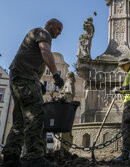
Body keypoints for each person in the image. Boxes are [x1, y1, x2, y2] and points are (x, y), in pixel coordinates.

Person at [2, 18, 64, 167]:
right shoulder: (43, 33)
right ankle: (34, 158)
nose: (59, 33)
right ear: (49, 25)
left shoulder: (35, 33)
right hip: (25, 78)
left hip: (19, 77)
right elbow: (45, 51)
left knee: (20, 120)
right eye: (58, 29)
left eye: (60, 31)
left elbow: (32, 59)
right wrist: (55, 74)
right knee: (35, 116)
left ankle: (10, 157)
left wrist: (39, 83)